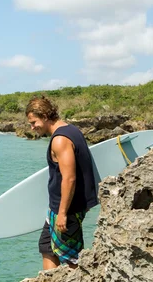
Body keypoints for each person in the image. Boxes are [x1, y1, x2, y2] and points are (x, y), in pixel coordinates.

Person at [25, 96, 98, 270]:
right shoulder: (72, 130)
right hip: (59, 208)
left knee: (71, 257)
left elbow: (69, 178)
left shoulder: (60, 140)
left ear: (44, 115)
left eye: (34, 122)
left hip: (66, 209)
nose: (32, 127)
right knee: (46, 246)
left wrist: (63, 213)